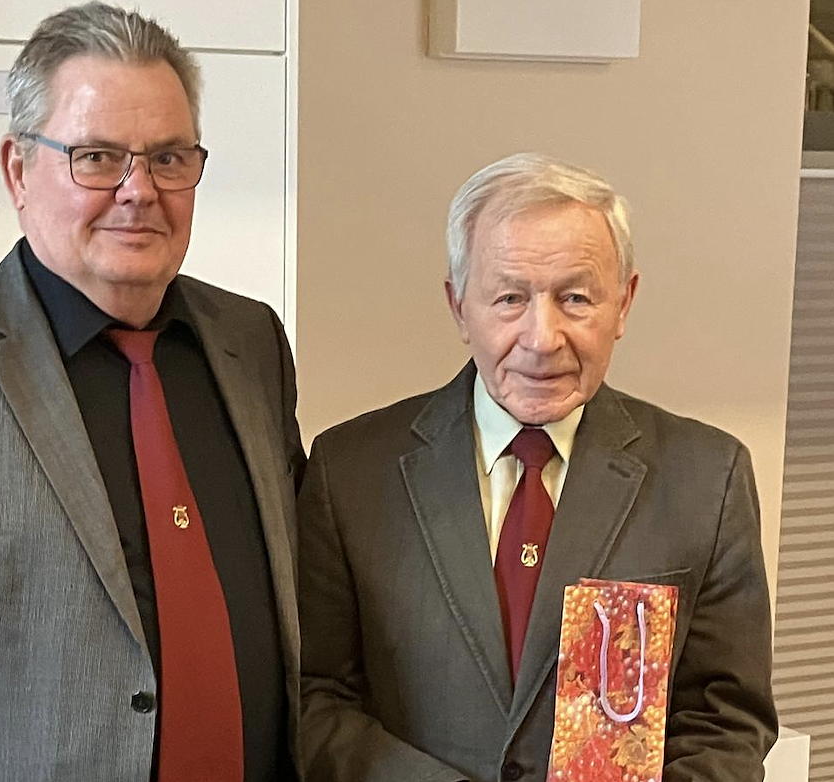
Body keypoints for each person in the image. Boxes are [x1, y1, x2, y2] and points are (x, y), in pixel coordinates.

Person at [0, 4, 303, 780]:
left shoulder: (253, 343)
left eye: (169, 158)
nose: (140, 191)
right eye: (97, 157)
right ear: (19, 169)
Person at [297, 153, 777, 782]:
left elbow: (725, 721)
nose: (542, 338)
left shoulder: (707, 479)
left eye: (575, 298)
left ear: (623, 303)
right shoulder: (351, 472)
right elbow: (316, 699)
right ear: (458, 306)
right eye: (509, 298)